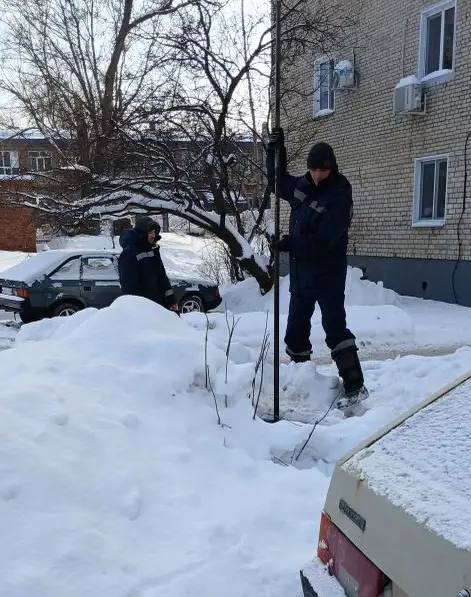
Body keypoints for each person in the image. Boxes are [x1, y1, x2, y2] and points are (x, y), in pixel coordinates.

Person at [266, 128, 367, 409]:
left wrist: (290, 244)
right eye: (313, 169)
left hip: (328, 274)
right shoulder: (303, 185)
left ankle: (355, 386)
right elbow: (276, 182)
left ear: (331, 168)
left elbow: (324, 240)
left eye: (323, 170)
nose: (317, 175)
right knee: (295, 333)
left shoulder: (339, 194)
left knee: (334, 329)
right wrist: (275, 151)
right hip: (301, 275)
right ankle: (304, 382)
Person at [118, 216, 179, 312]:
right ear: (142, 233)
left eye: (154, 232)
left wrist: (170, 299)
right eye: (150, 232)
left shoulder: (153, 250)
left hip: (159, 306)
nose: (153, 235)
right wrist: (141, 309)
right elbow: (129, 287)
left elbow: (162, 277)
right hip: (143, 310)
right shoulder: (129, 254)